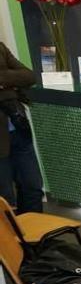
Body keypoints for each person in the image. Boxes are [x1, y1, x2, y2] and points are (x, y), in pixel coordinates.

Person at [0, 41, 42, 213]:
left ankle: (36, 238)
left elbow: (29, 76)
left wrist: (3, 79)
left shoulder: (1, 47)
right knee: (6, 199)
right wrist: (11, 85)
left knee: (32, 187)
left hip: (18, 129)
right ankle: (12, 240)